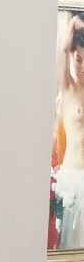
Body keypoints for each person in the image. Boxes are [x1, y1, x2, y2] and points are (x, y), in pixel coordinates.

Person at [52, 13, 84, 249]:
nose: (81, 66)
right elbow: (62, 50)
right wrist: (73, 23)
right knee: (69, 245)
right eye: (78, 59)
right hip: (72, 176)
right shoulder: (67, 88)